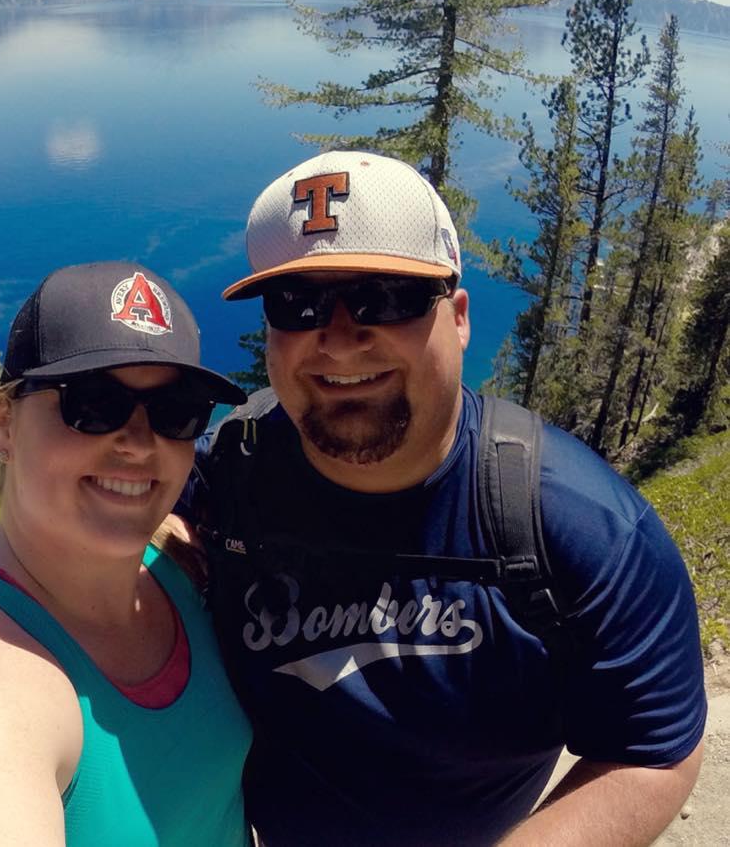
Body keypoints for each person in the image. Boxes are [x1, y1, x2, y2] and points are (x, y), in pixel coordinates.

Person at [178, 151, 707, 847]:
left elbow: (652, 746)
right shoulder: (219, 480)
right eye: (297, 302)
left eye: (385, 296)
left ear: (458, 317)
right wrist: (154, 540)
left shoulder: (581, 529)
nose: (338, 338)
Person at [0, 261, 252, 847]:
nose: (137, 442)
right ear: (6, 424)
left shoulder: (177, 566)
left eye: (175, 409)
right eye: (92, 404)